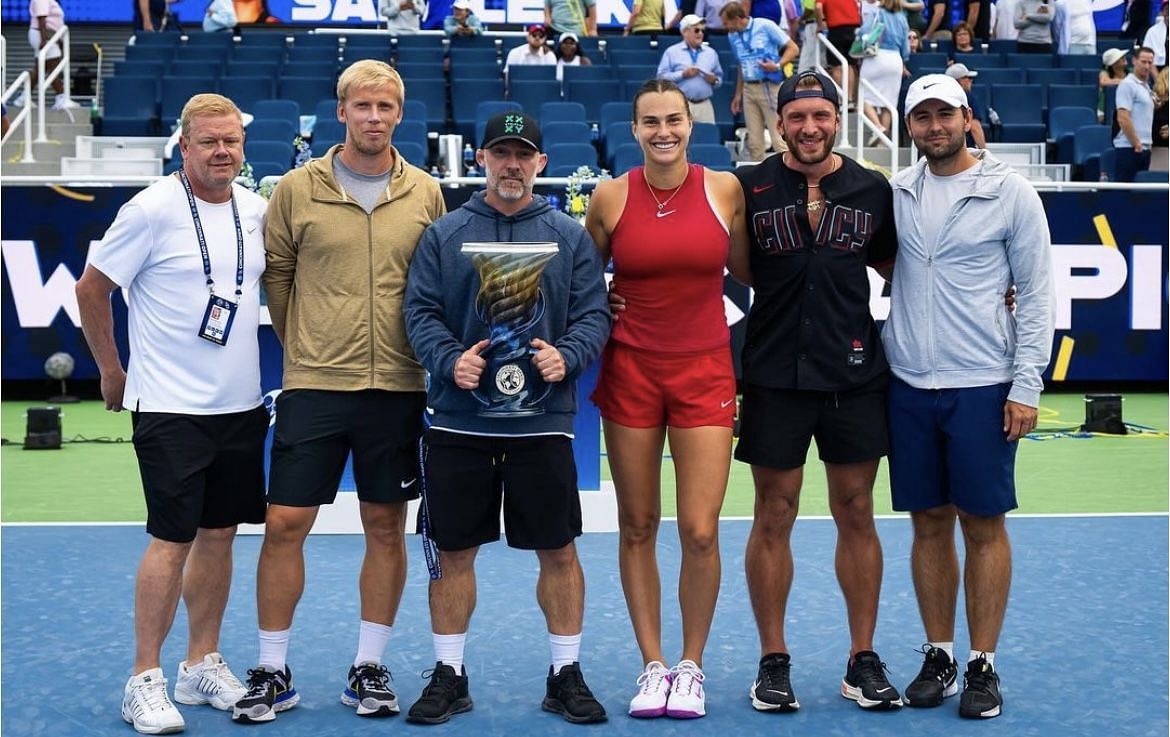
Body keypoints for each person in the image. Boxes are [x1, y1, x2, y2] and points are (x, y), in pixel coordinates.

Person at [231, 60, 446, 724]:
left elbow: (434, 284)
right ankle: (271, 668)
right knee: (284, 524)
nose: (374, 117)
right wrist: (308, 347)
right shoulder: (297, 188)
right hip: (315, 386)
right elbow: (281, 277)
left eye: (385, 107)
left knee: (386, 527)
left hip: (398, 389)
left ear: (400, 114)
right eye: (362, 106)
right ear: (341, 112)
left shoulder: (427, 193)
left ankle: (369, 665)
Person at [401, 111, 611, 726]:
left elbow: (595, 315)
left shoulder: (569, 235)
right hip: (459, 422)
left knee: (558, 549)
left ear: (540, 163)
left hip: (541, 423)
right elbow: (419, 311)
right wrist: (447, 361)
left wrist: (567, 355)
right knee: (453, 550)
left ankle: (565, 673)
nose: (512, 165)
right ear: (482, 160)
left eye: (523, 154)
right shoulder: (444, 233)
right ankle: (449, 674)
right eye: (501, 153)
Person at [75, 92, 267, 736]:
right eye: (208, 141)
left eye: (231, 142)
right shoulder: (150, 209)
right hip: (168, 409)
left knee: (219, 535)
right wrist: (110, 368)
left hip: (240, 407)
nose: (221, 152)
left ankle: (200, 663)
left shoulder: (257, 210)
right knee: (171, 538)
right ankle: (144, 679)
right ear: (184, 148)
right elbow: (91, 286)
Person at [887, 72, 1055, 720]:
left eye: (944, 115)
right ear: (910, 127)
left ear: (965, 118)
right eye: (922, 117)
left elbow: (1037, 294)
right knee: (928, 522)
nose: (934, 126)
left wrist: (1025, 383)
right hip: (907, 382)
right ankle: (940, 652)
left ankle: (983, 663)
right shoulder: (896, 192)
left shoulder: (1009, 192)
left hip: (984, 383)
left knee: (983, 524)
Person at [734, 70, 901, 714]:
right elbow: (729, 262)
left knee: (856, 510)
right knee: (773, 513)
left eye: (821, 116)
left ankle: (862, 659)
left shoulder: (870, 188)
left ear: (838, 119)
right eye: (797, 116)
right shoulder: (747, 187)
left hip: (853, 373)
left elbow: (900, 267)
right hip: (774, 373)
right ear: (779, 123)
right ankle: (773, 661)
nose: (809, 127)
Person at [584, 79, 748, 721]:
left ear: (690, 123)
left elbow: (754, 271)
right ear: (634, 130)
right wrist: (603, 301)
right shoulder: (609, 196)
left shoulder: (724, 189)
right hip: (631, 372)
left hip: (705, 370)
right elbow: (578, 283)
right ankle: (652, 665)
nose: (663, 131)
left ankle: (691, 666)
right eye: (650, 122)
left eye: (673, 120)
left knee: (701, 531)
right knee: (638, 525)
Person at [722, 1, 799, 160]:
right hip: (749, 89)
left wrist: (777, 65)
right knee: (755, 143)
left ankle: (790, 176)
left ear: (737, 18)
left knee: (779, 138)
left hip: (768, 86)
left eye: (726, 22)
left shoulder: (765, 26)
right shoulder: (732, 36)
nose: (724, 27)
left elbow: (793, 48)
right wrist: (738, 95)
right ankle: (761, 180)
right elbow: (741, 65)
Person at [859, 0, 911, 146]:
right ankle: (883, 141)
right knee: (889, 101)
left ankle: (878, 127)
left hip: (877, 56)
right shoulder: (902, 18)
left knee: (864, 96)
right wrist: (904, 61)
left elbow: (865, 31)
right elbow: (906, 48)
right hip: (895, 59)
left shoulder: (876, 12)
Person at [657, 15, 725, 123]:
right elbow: (661, 77)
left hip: (705, 105)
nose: (700, 34)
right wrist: (682, 75)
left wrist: (714, 80)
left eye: (702, 30)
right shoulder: (672, 52)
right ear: (685, 32)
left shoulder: (711, 53)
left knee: (706, 138)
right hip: (679, 104)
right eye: (696, 30)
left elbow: (719, 78)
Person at [19, 0, 77, 110]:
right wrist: (44, 39)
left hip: (48, 35)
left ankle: (24, 97)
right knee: (53, 67)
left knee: (40, 68)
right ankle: (61, 98)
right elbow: (42, 18)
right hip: (44, 36)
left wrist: (58, 39)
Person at [1113, 46, 1157, 181]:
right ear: (1134, 61)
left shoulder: (1146, 87)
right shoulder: (1127, 85)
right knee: (1124, 195)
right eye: (1143, 62)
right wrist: (1136, 144)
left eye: (1150, 63)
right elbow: (1123, 117)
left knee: (1140, 196)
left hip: (1144, 149)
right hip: (1129, 149)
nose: (1147, 66)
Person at [819, 0, 862, 103]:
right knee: (851, 64)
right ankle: (850, 98)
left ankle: (841, 98)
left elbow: (818, 7)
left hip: (836, 29)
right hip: (854, 28)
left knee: (837, 65)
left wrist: (820, 24)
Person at [945, 63, 986, 147]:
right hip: (965, 150)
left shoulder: (941, 97)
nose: (971, 80)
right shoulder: (968, 97)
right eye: (967, 78)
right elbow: (975, 128)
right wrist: (984, 152)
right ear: (958, 81)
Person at [1142, 2, 1167, 69]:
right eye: (1167, 9)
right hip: (1159, 70)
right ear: (1162, 12)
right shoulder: (1152, 31)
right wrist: (1159, 79)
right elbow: (1147, 56)